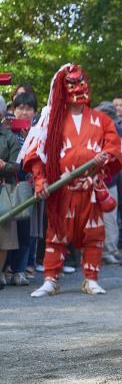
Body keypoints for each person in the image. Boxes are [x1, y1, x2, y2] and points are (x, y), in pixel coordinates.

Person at [22, 64, 122, 297]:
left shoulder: (102, 120)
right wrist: (40, 180)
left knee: (94, 233)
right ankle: (50, 279)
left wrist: (105, 157)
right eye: (72, 84)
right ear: (61, 88)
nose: (79, 88)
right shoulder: (52, 120)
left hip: (90, 188)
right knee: (56, 235)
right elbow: (36, 151)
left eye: (81, 82)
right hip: (62, 189)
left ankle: (91, 279)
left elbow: (114, 146)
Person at [4, 92, 38, 285]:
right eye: (20, 108)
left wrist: (29, 139)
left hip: (28, 184)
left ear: (34, 112)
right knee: (8, 229)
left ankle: (20, 270)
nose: (24, 112)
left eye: (28, 109)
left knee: (26, 229)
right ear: (13, 110)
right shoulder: (6, 131)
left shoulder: (39, 132)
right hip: (8, 184)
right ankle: (6, 268)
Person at [94, 101, 122, 265]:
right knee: (107, 216)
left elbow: (120, 153)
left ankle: (107, 250)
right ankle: (105, 250)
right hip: (103, 177)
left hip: (106, 178)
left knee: (108, 215)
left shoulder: (113, 128)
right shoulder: (114, 127)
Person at [0, 96, 21, 291]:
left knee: (4, 235)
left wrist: (4, 165)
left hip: (3, 188)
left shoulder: (9, 136)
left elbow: (17, 166)